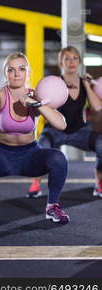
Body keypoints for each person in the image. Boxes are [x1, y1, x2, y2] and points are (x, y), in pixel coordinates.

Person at [0, 52, 70, 224]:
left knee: (59, 158)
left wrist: (35, 104)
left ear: (28, 72)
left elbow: (61, 124)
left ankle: (52, 206)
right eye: (11, 70)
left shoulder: (37, 96)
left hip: (31, 157)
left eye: (21, 69)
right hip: (2, 157)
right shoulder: (0, 95)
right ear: (6, 73)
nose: (16, 73)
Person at [27, 46, 102, 198]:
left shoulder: (83, 83)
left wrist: (87, 85)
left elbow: (97, 107)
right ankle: (35, 183)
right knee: (41, 147)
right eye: (66, 58)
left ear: (79, 62)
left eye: (75, 58)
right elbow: (43, 105)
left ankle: (99, 181)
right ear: (61, 63)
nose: (71, 62)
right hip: (55, 130)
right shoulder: (53, 83)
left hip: (79, 130)